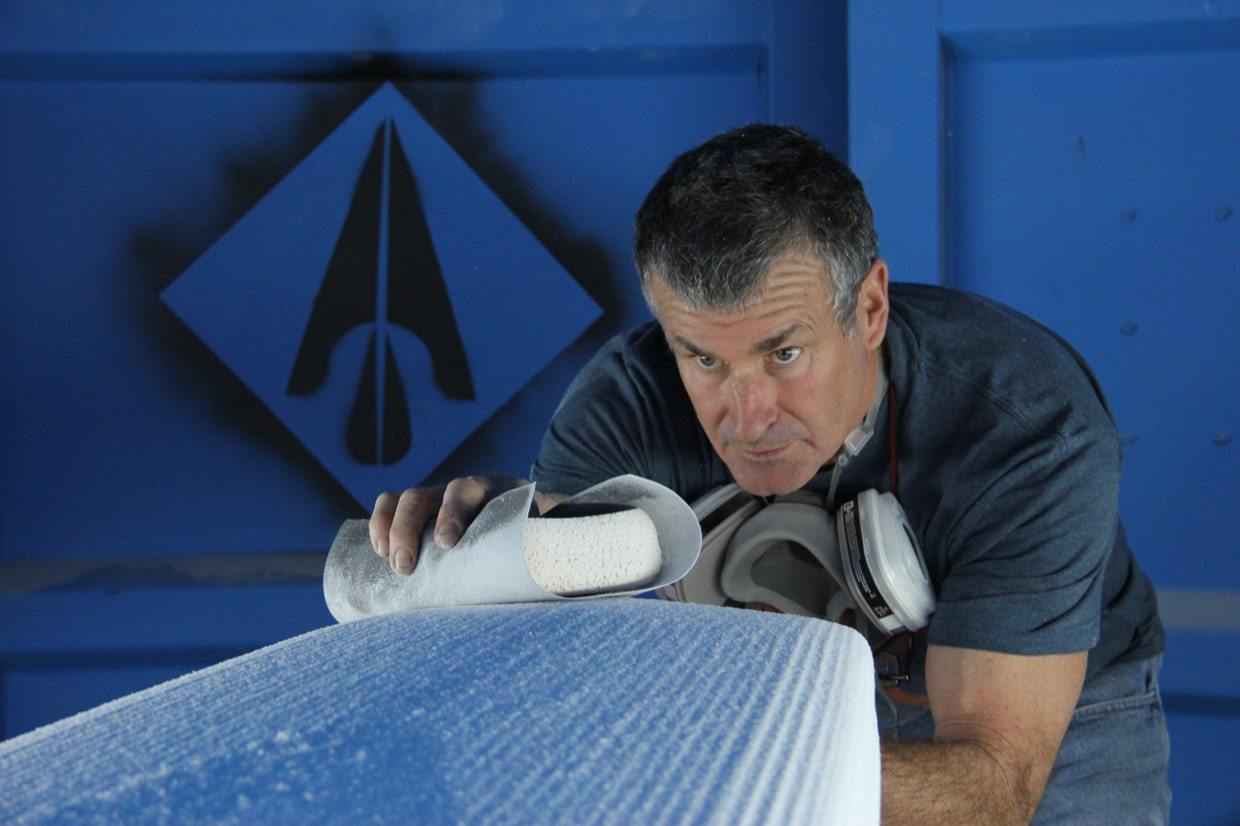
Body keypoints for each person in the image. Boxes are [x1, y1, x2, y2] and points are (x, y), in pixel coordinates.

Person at [369, 125, 1169, 824]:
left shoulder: (1024, 425)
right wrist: (474, 557)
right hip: (778, 711)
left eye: (783, 354)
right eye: (704, 358)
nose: (747, 420)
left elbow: (991, 793)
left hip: (1037, 716)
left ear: (870, 309)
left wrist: (682, 766)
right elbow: (534, 627)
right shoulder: (628, 402)